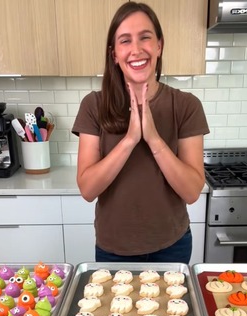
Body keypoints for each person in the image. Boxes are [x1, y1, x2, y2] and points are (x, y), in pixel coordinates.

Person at [72, 2, 210, 263]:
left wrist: (154, 138)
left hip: (173, 246)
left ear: (159, 45)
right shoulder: (93, 106)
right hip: (113, 250)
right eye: (125, 41)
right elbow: (88, 189)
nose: (136, 50)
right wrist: (130, 139)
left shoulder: (186, 105)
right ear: (114, 54)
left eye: (145, 37)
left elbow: (192, 192)